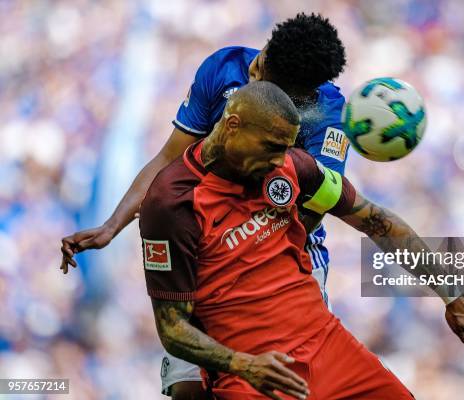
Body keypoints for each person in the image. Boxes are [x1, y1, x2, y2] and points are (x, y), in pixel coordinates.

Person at [139, 81, 464, 399]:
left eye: (285, 147)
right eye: (270, 146)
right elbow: (172, 329)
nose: (277, 160)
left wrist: (452, 296)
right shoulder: (172, 204)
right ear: (232, 126)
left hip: (327, 345)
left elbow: (378, 222)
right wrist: (243, 365)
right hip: (255, 375)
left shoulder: (293, 167)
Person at [60, 13, 349, 398]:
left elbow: (311, 212)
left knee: (282, 385)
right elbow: (168, 160)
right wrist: (113, 224)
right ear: (261, 62)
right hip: (206, 252)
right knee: (187, 389)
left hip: (282, 260)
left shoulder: (327, 112)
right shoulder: (223, 68)